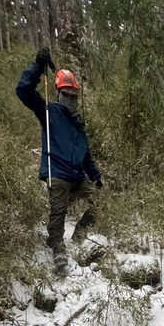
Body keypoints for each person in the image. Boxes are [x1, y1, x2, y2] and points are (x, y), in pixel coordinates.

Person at [16, 47, 103, 269]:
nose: (71, 99)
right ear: (58, 93)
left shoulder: (78, 122)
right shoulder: (49, 111)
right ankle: (57, 248)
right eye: (66, 94)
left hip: (77, 175)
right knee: (58, 211)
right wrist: (37, 66)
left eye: (74, 96)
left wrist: (95, 175)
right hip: (58, 173)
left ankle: (78, 236)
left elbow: (85, 153)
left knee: (102, 202)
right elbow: (23, 91)